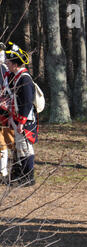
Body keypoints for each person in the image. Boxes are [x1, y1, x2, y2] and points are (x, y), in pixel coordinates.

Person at [3, 42, 37, 187]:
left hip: (25, 120)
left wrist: (21, 122)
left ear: (15, 63)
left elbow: (27, 103)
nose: (6, 63)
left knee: (25, 148)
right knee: (18, 148)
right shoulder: (15, 77)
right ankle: (17, 175)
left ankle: (28, 177)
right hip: (16, 118)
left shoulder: (25, 79)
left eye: (9, 61)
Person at [0, 48, 15, 184]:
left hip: (5, 112)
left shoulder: (7, 71)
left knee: (8, 142)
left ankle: (7, 172)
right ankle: (3, 172)